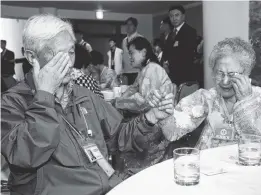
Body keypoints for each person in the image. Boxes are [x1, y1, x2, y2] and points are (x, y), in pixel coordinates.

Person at [1, 14, 174, 195]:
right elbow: (27, 156)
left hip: (108, 186)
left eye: (70, 52)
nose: (68, 62)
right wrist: (45, 95)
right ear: (31, 57)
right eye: (58, 54)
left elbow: (118, 137)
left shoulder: (83, 95)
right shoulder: (11, 103)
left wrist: (150, 117)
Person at [152, 37, 261, 149]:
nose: (225, 81)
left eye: (231, 75)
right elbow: (172, 133)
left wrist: (246, 101)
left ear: (246, 74)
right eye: (219, 73)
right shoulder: (207, 97)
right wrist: (165, 115)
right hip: (210, 168)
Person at [115, 36, 173, 113]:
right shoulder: (144, 70)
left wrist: (120, 102)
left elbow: (147, 105)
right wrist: (119, 101)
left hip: (159, 118)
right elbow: (132, 89)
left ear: (143, 52)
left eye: (131, 53)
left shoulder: (152, 68)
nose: (129, 57)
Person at [166, 5, 198, 86]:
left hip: (185, 75)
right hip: (172, 75)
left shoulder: (190, 31)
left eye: (177, 15)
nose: (174, 18)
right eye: (171, 16)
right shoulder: (170, 34)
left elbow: (186, 54)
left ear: (183, 16)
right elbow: (167, 51)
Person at [122, 17, 143, 85]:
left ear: (135, 26)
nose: (128, 27)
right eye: (126, 25)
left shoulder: (140, 39)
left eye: (130, 25)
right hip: (126, 71)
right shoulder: (124, 40)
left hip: (136, 72)